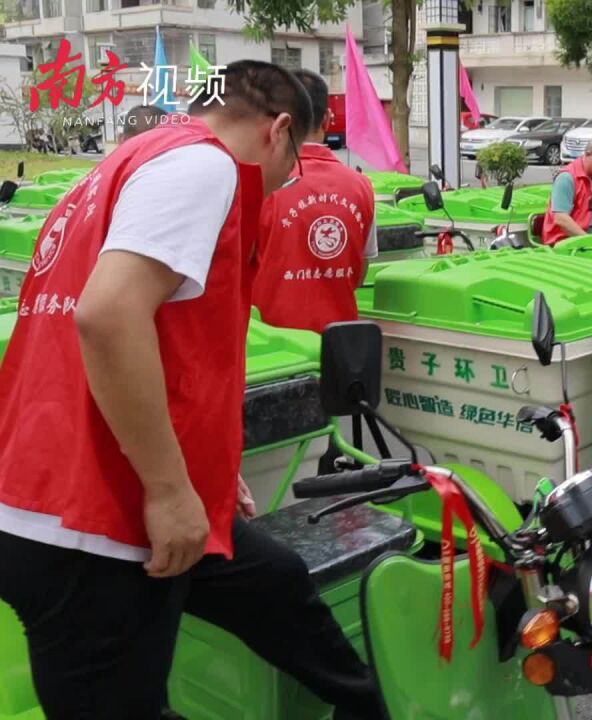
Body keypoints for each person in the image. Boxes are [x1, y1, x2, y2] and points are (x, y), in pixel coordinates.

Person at [0, 60, 382, 720]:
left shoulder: (125, 166)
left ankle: (368, 707)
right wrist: (170, 488)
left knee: (274, 583)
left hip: (91, 489)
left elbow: (163, 334)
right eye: (291, 166)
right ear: (279, 130)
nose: (285, 184)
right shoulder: (204, 167)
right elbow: (109, 316)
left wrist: (199, 470)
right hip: (89, 525)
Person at [253, 70, 377, 333]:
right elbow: (359, 271)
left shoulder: (259, 184)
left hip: (275, 353)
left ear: (277, 122)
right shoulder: (361, 186)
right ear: (327, 119)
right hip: (340, 345)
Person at [542, 136, 592, 245]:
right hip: (566, 242)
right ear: (588, 155)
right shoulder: (567, 178)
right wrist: (588, 241)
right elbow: (560, 219)